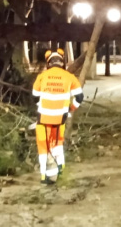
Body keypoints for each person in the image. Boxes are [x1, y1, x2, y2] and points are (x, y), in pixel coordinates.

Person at [32, 48, 83, 184]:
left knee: (43, 146)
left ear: (49, 63)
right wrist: (71, 109)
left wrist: (41, 106)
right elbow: (79, 97)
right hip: (60, 118)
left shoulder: (42, 76)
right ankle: (60, 168)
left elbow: (35, 97)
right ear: (62, 62)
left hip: (43, 118)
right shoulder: (70, 77)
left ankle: (45, 176)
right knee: (57, 143)